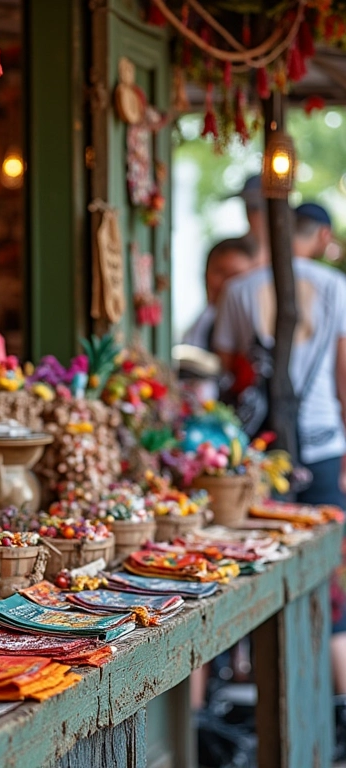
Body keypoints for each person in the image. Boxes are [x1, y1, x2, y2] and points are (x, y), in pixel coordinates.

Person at [212, 203, 346, 719]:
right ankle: (334, 706)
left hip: (259, 454)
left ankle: (266, 700)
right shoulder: (335, 286)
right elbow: (342, 374)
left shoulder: (240, 290)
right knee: (328, 573)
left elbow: (230, 377)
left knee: (254, 563)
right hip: (326, 442)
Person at [182, 237, 258, 351]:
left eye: (236, 275)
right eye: (220, 273)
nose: (227, 285)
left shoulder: (260, 332)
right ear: (205, 276)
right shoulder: (199, 329)